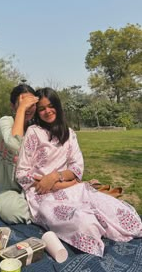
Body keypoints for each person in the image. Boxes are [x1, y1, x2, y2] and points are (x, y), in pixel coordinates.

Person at [16, 87, 142, 257]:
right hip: (43, 194)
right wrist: (50, 183)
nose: (47, 111)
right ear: (38, 113)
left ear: (58, 107)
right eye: (42, 109)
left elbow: (76, 168)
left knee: (119, 210)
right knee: (84, 222)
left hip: (71, 188)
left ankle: (106, 226)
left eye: (51, 106)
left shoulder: (69, 134)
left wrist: (56, 178)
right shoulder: (34, 133)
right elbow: (22, 173)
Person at [0, 84, 39, 224]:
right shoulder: (6, 121)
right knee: (12, 211)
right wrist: (22, 109)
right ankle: (45, 214)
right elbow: (14, 145)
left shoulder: (35, 128)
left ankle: (45, 212)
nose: (29, 108)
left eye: (31, 104)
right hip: (7, 191)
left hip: (32, 189)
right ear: (13, 106)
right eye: (23, 103)